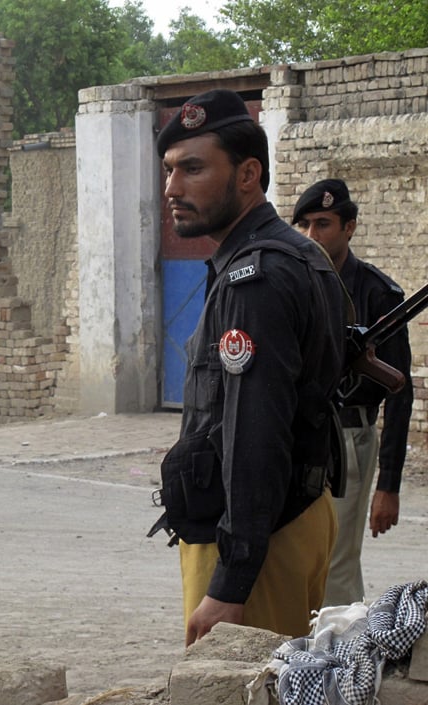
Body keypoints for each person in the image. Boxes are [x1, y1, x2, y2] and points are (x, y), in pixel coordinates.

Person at [153, 89, 348, 644]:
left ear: (248, 174)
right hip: (292, 520)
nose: (173, 188)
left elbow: (254, 433)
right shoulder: (294, 252)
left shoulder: (255, 277)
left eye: (193, 169)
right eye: (169, 171)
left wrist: (232, 582)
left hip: (257, 539)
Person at [292, 178, 413, 607]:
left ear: (350, 227)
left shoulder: (377, 293)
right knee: (294, 556)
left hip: (349, 437)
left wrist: (390, 484)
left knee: (336, 564)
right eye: (304, 224)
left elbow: (399, 389)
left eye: (323, 223)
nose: (312, 235)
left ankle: (340, 662)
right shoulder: (295, 284)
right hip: (298, 434)